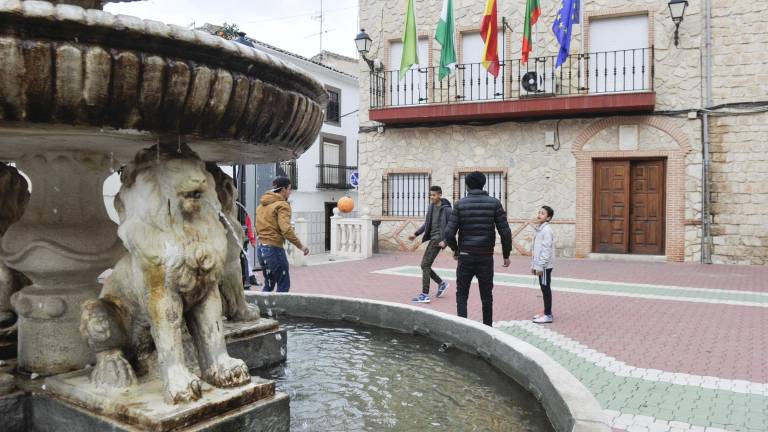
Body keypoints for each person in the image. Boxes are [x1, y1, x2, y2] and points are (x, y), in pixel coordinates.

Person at [444, 172, 512, 326]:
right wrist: (506, 255)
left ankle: (463, 328)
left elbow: (448, 233)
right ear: (484, 184)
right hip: (485, 257)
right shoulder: (494, 203)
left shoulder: (460, 204)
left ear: (467, 185)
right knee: (486, 295)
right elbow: (505, 232)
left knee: (462, 294)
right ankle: (488, 328)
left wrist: (456, 250)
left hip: (465, 256)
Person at [255, 176, 309, 292]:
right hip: (273, 249)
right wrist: (301, 246)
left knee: (269, 285)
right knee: (283, 285)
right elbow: (286, 230)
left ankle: (263, 309)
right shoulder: (282, 205)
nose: (290, 193)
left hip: (261, 249)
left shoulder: (261, 205)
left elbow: (258, 227)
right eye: (289, 189)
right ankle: (278, 311)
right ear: (283, 189)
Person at [408, 186, 453, 303]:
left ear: (440, 195)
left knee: (425, 265)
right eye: (431, 195)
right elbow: (427, 224)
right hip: (432, 238)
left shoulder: (447, 210)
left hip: (438, 240)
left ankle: (425, 294)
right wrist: (416, 234)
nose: (431, 197)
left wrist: (446, 241)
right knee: (425, 265)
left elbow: (452, 228)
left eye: (434, 195)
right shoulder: (431, 207)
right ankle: (441, 283)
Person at [531, 206, 555, 324]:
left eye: (543, 213)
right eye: (539, 212)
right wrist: (534, 265)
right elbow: (536, 249)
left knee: (545, 289)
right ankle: (545, 311)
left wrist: (540, 266)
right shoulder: (540, 229)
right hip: (540, 265)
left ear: (548, 218)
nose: (539, 215)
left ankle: (548, 315)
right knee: (543, 288)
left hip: (545, 266)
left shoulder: (547, 230)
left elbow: (546, 250)